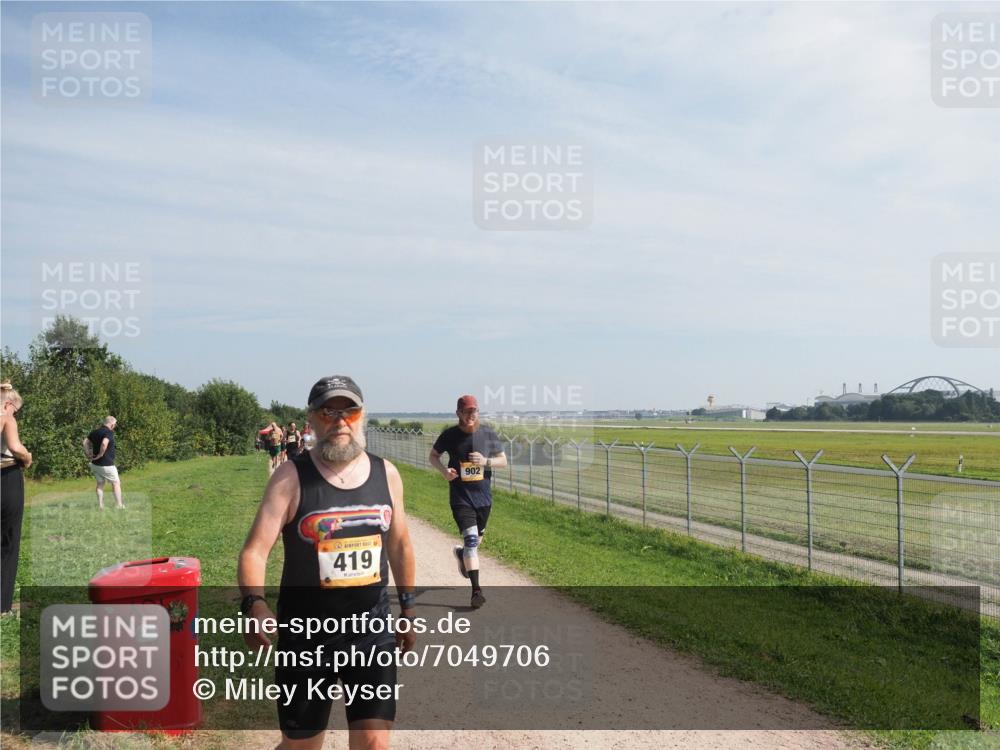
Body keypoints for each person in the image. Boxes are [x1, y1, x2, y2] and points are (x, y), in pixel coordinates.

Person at [238, 375, 416, 750]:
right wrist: (254, 603)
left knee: (374, 744)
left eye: (348, 412)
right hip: (307, 637)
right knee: (302, 745)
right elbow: (255, 550)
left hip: (371, 633)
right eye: (328, 412)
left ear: (362, 416)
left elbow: (399, 543)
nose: (339, 421)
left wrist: (409, 607)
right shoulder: (291, 477)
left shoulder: (388, 475)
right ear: (313, 420)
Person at [429, 394, 507, 609]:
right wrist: (444, 471)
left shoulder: (488, 433)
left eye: (474, 411)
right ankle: (476, 591)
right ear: (458, 414)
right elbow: (433, 456)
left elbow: (503, 461)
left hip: (484, 499)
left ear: (478, 412)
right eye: (466, 412)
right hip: (460, 497)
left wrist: (485, 461)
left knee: (475, 541)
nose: (470, 415)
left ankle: (461, 554)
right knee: (472, 540)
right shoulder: (450, 435)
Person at [1, 383, 32, 615]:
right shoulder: (6, 416)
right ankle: (2, 606)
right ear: (9, 404)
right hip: (7, 478)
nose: (15, 414)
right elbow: (15, 447)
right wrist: (28, 456)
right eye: (16, 410)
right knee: (8, 541)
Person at [83, 416, 123, 510]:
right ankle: (119, 505)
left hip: (95, 464)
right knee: (116, 483)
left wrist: (88, 453)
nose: (115, 426)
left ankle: (101, 506)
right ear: (112, 424)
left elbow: (85, 442)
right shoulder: (108, 432)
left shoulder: (95, 431)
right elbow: (104, 443)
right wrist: (101, 454)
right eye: (115, 425)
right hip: (107, 464)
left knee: (100, 483)